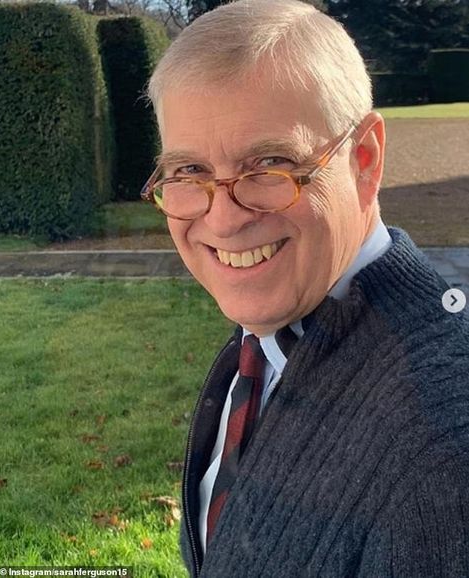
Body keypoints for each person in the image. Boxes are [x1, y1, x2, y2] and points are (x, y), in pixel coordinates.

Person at [141, 0, 469, 575]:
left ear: (364, 160)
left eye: (269, 163)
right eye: (188, 172)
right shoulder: (275, 331)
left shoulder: (445, 444)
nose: (223, 220)